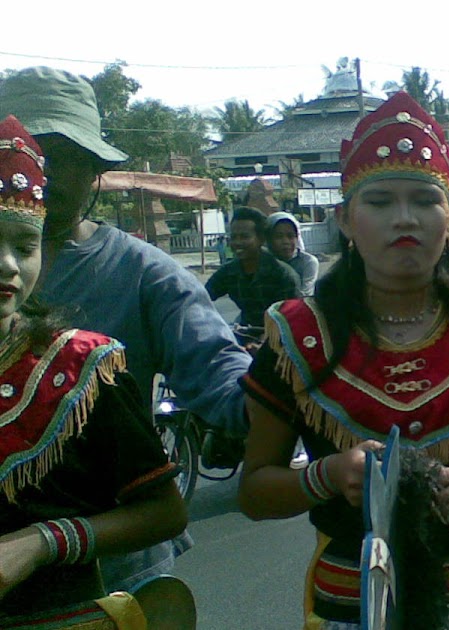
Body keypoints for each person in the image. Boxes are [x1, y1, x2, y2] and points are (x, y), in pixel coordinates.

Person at [237, 92, 449, 629]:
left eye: (424, 201)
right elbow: (255, 491)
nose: (404, 218)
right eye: (379, 202)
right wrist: (328, 475)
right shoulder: (298, 336)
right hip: (352, 602)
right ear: (345, 219)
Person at [0, 66, 250, 591]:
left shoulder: (145, 274)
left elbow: (226, 385)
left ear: (94, 170)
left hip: (115, 574)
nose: (47, 173)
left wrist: (303, 381)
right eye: (35, 152)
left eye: (68, 158)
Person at [0, 115, 187, 626]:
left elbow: (165, 512)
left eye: (24, 245)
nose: (9, 266)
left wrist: (43, 542)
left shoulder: (83, 368)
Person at [205, 206, 302, 328]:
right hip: (245, 335)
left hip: (280, 338)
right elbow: (202, 297)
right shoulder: (228, 271)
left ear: (261, 239)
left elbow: (293, 320)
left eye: (244, 237)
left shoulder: (283, 275)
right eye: (234, 237)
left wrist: (264, 342)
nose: (237, 243)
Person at [267, 211, 320, 297]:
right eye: (279, 236)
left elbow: (304, 296)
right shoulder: (263, 260)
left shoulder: (307, 262)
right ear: (269, 239)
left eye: (291, 236)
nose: (285, 242)